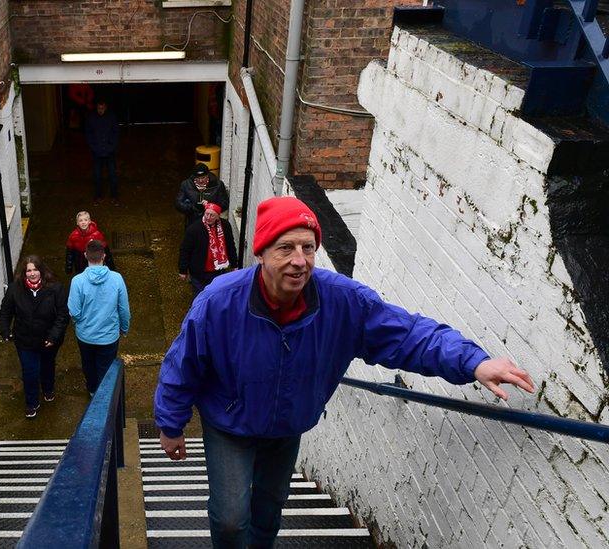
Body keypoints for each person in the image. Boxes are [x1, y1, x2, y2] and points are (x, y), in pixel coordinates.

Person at [154, 196, 536, 548]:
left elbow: (407, 334)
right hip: (230, 423)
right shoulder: (220, 301)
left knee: (269, 511)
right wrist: (171, 424)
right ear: (262, 253)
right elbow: (183, 362)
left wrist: (473, 362)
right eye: (285, 248)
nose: (299, 260)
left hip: (288, 425)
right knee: (232, 520)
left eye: (308, 247)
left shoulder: (342, 301)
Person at [0, 255, 69, 418]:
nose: (32, 273)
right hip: (25, 340)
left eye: (35, 269)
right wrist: (5, 329)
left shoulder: (55, 289)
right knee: (29, 371)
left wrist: (54, 336)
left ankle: (48, 388)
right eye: (29, 270)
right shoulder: (15, 289)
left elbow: (63, 315)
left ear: (41, 270)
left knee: (47, 366)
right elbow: (5, 311)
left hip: (48, 340)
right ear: (24, 273)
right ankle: (32, 402)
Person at [68, 239, 131, 395]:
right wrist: (124, 328)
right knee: (106, 369)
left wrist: (80, 324)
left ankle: (92, 391)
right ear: (103, 256)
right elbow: (123, 309)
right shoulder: (116, 279)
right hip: (109, 336)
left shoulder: (77, 281)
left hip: (85, 336)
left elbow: (74, 312)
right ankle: (105, 399)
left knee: (89, 366)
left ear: (85, 256)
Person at [178, 201, 238, 296]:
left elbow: (230, 245)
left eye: (212, 215)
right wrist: (183, 270)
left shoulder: (225, 226)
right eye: (207, 214)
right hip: (200, 272)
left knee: (216, 296)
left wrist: (234, 264)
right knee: (200, 297)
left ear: (218, 216)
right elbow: (185, 250)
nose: (208, 217)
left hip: (219, 271)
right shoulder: (194, 229)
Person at [84, 99, 120, 205]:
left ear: (106, 107)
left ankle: (114, 196)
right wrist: (94, 147)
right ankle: (98, 196)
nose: (100, 110)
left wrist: (111, 146)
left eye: (102, 108)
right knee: (97, 175)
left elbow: (116, 133)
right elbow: (88, 134)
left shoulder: (111, 117)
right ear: (96, 107)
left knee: (112, 174)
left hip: (109, 152)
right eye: (99, 108)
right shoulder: (91, 118)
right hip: (97, 152)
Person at [176, 163, 229, 228]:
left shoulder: (218, 185)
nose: (200, 181)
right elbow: (178, 203)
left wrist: (210, 207)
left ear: (208, 175)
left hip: (212, 223)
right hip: (193, 222)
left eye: (203, 178)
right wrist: (192, 207)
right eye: (198, 178)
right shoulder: (186, 185)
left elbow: (225, 203)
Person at [65, 210, 116, 275]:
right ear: (77, 223)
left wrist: (111, 267)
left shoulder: (97, 235)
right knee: (82, 276)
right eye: (81, 220)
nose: (83, 222)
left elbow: (106, 251)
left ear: (89, 221)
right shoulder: (73, 235)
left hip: (93, 259)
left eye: (85, 220)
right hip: (79, 261)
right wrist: (69, 267)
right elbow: (69, 253)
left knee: (94, 275)